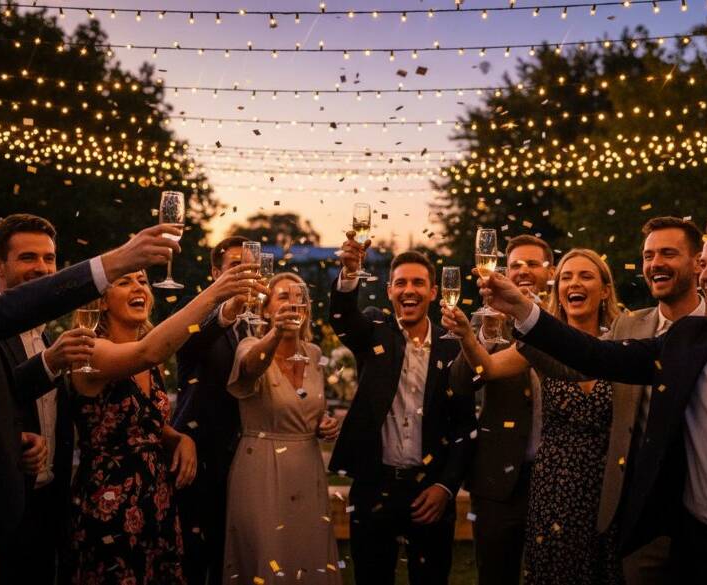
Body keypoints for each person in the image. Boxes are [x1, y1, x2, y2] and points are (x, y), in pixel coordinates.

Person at [479, 216, 707, 585]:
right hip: (693, 551)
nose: (706, 275)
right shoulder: (689, 339)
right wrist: (522, 310)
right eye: (705, 263)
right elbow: (597, 356)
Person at [0, 185, 181, 584]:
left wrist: (14, 437)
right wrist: (116, 262)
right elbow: (1, 314)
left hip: (42, 510)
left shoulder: (42, 336)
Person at [444, 249, 624, 585]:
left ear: (605, 290)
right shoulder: (543, 341)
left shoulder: (624, 341)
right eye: (568, 277)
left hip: (608, 484)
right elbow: (487, 368)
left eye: (585, 276)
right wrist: (468, 334)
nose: (575, 283)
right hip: (553, 484)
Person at [68, 265, 252, 585]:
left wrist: (179, 439)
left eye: (143, 281)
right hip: (111, 503)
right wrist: (215, 293)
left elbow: (146, 421)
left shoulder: (153, 366)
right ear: (101, 301)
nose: (139, 287)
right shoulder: (90, 350)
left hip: (158, 499)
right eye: (124, 282)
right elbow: (148, 351)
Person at [328, 235, 477, 585]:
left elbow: (464, 425)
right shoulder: (374, 332)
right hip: (374, 486)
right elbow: (342, 319)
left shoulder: (453, 346)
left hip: (430, 491)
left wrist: (446, 487)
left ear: (434, 292)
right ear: (390, 291)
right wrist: (348, 275)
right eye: (401, 283)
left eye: (418, 283)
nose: (409, 290)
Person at [595, 217, 705, 585]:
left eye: (668, 253)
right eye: (648, 256)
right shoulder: (628, 326)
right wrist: (525, 318)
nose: (655, 263)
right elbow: (583, 358)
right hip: (640, 514)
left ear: (698, 262)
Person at [447, 234, 554, 585]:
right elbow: (461, 384)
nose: (523, 271)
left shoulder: (566, 320)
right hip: (499, 480)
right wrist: (482, 335)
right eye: (515, 265)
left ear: (551, 272)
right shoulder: (492, 319)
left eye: (533, 264)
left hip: (557, 478)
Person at [222, 272, 342, 584]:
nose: (293, 303)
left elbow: (308, 408)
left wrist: (323, 424)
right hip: (260, 468)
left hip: (307, 470)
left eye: (300, 297)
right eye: (284, 297)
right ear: (265, 309)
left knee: (307, 554)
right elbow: (251, 367)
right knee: (268, 554)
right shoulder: (249, 345)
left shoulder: (314, 353)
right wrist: (276, 333)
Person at [0, 214, 83, 585]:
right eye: (28, 257)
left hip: (49, 504)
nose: (42, 268)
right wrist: (49, 363)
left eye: (49, 258)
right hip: (4, 508)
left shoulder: (46, 333)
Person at [171, 236, 262, 585]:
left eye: (250, 266)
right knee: (195, 557)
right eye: (235, 266)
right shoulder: (195, 313)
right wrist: (228, 311)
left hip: (243, 455)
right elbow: (193, 341)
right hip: (196, 452)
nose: (244, 273)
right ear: (214, 273)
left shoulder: (258, 323)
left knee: (233, 556)